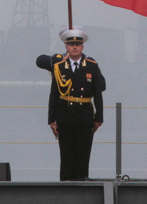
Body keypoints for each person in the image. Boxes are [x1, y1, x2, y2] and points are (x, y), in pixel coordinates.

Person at [40, 28, 105, 181]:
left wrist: (99, 118)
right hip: (65, 115)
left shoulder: (91, 66)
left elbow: (98, 94)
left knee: (83, 156)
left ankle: (82, 188)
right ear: (66, 47)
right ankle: (66, 189)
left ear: (83, 47)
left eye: (78, 44)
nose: (75, 47)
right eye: (71, 44)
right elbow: (54, 95)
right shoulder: (59, 67)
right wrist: (51, 119)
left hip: (84, 116)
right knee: (66, 156)